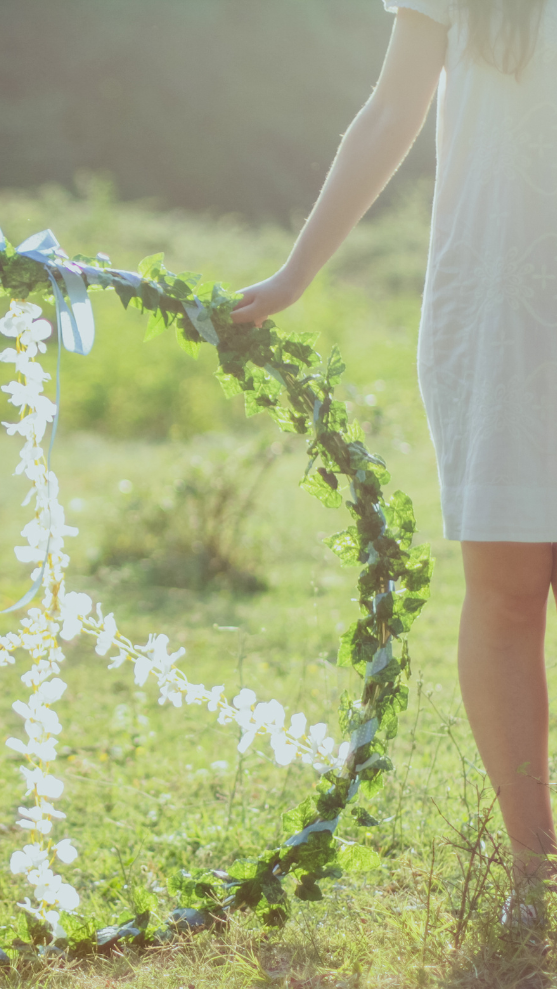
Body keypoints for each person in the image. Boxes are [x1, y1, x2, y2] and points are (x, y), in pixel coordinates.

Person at [233, 0, 557, 906]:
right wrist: (295, 273)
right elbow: (389, 110)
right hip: (501, 308)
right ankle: (535, 873)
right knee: (508, 592)